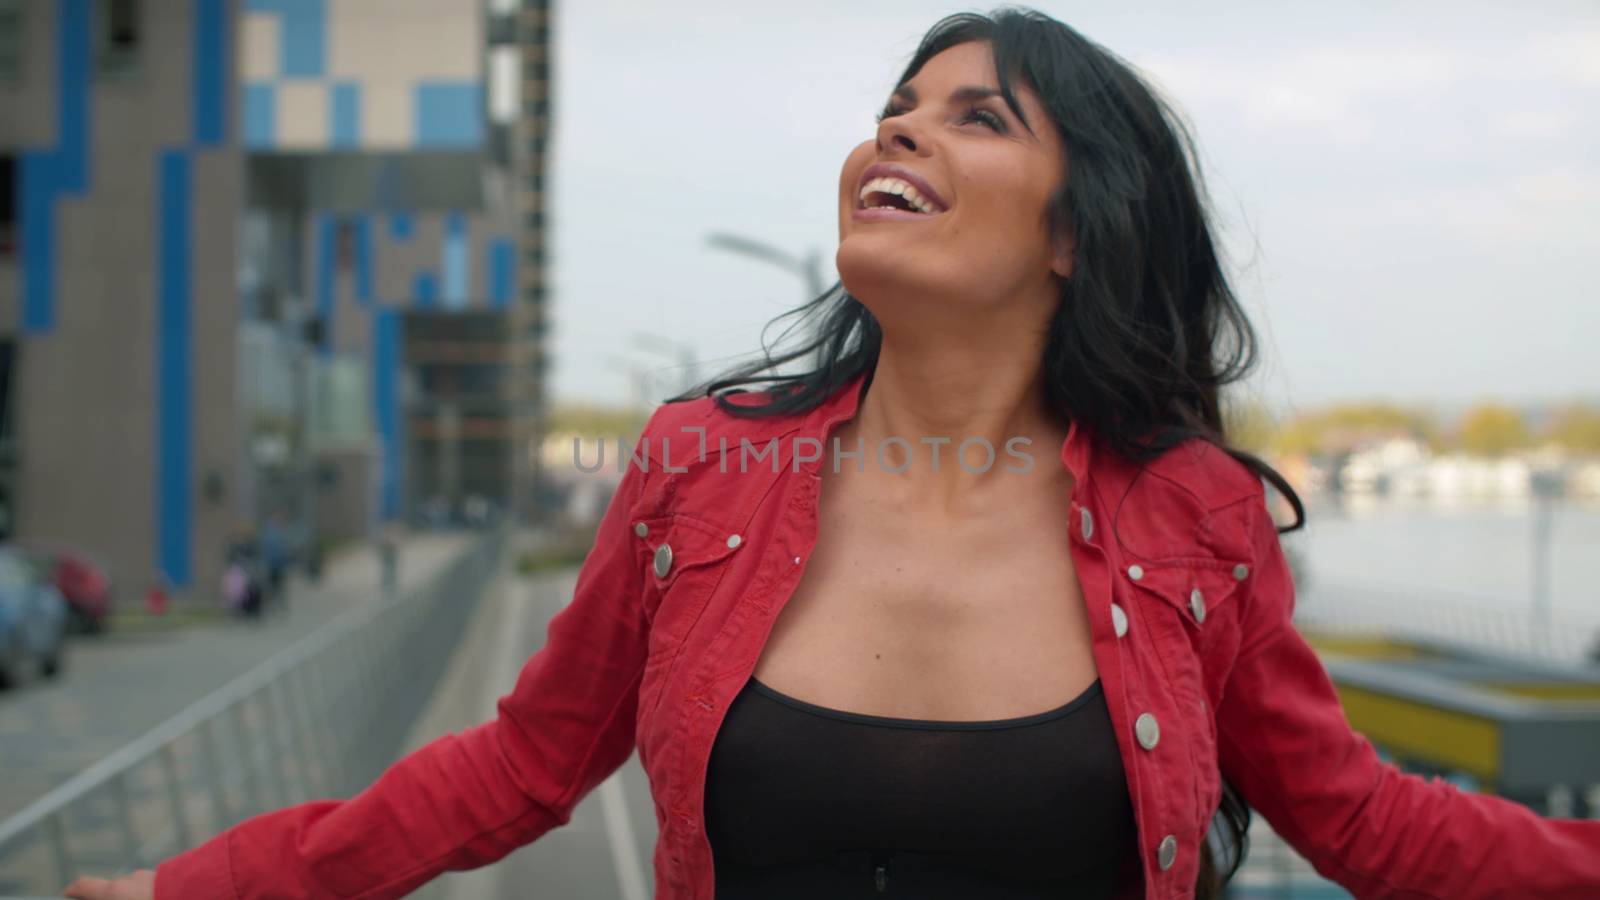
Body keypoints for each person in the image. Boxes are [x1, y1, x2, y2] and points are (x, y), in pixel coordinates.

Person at [64, 8, 1600, 900]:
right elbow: (526, 766)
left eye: (974, 118)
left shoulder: (1193, 521)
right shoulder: (696, 473)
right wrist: (192, 886)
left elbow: (1367, 821)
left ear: (1074, 232)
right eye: (892, 111)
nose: (898, 136)